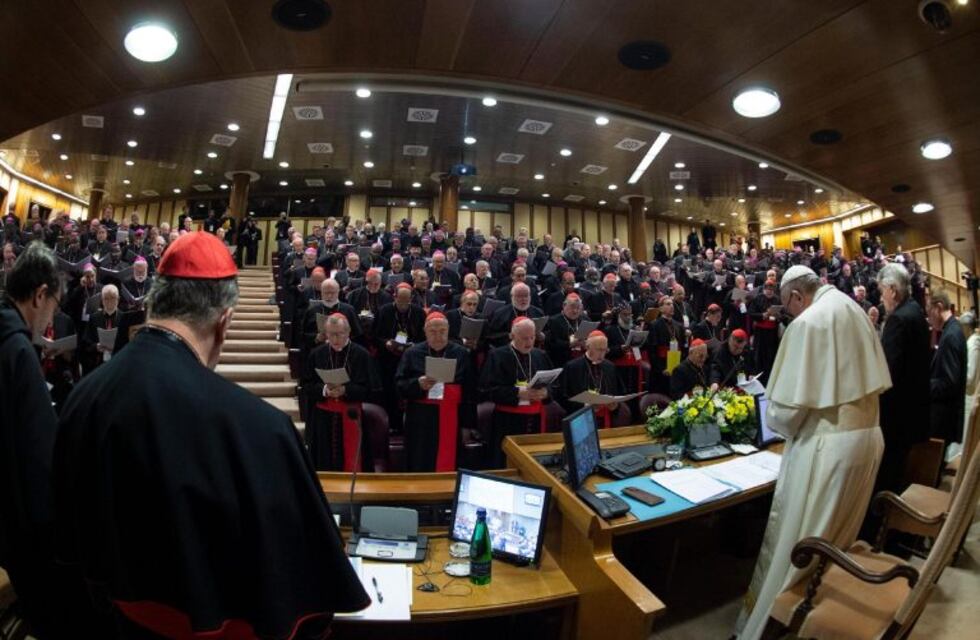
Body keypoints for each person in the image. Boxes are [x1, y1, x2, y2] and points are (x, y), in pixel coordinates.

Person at [54, 232, 369, 638]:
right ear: (224, 321)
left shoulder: (83, 397)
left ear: (155, 301)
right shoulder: (260, 429)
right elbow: (304, 600)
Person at [735, 266, 891, 640]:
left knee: (799, 547)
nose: (789, 315)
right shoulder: (852, 307)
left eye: (787, 308)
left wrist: (772, 414)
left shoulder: (810, 322)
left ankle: (773, 627)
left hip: (827, 449)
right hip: (867, 439)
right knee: (835, 542)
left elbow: (786, 414)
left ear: (794, 297)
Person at [1, 242, 110, 637]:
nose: (51, 318)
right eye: (53, 306)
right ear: (39, 294)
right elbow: (38, 455)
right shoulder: (16, 349)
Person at [873, 263, 931, 494]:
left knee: (888, 483)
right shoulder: (915, 310)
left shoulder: (897, 320)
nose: (880, 298)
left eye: (881, 291)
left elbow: (886, 374)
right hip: (915, 412)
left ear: (893, 290)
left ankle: (887, 526)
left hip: (897, 419)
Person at [301, 312, 384, 471]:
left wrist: (346, 390)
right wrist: (325, 390)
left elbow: (373, 390)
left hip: (352, 415)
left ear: (348, 332)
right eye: (331, 334)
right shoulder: (317, 354)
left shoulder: (361, 355)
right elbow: (306, 385)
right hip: (323, 418)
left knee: (354, 461)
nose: (335, 339)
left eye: (339, 334)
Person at [395, 312, 474, 471]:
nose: (438, 336)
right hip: (420, 419)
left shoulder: (461, 353)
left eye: (442, 331)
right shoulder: (412, 353)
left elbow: (470, 392)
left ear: (448, 330)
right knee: (419, 458)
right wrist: (418, 384)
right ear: (425, 332)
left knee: (451, 460)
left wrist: (467, 425)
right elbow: (399, 385)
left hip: (452, 416)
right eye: (433, 331)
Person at [481, 316, 558, 467]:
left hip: (536, 418)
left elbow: (555, 386)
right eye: (524, 338)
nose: (529, 342)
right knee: (506, 462)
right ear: (512, 336)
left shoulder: (539, 355)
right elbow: (487, 390)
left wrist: (546, 394)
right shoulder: (497, 355)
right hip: (507, 422)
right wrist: (518, 393)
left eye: (532, 337)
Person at [928, 287, 967, 456]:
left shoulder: (951, 336)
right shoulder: (952, 330)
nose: (929, 318)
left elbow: (948, 383)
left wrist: (922, 385)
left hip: (944, 419)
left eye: (929, 312)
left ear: (938, 307)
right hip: (946, 417)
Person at [559, 331, 629, 425]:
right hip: (580, 420)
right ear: (587, 347)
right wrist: (586, 405)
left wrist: (615, 406)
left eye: (604, 350)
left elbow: (620, 393)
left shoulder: (610, 367)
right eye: (599, 350)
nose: (602, 354)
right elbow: (563, 398)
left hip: (608, 419)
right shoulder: (572, 367)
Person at [961, 311, 980, 454]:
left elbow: (970, 376)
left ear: (966, 327)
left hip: (969, 395)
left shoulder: (973, 345)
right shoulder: (971, 343)